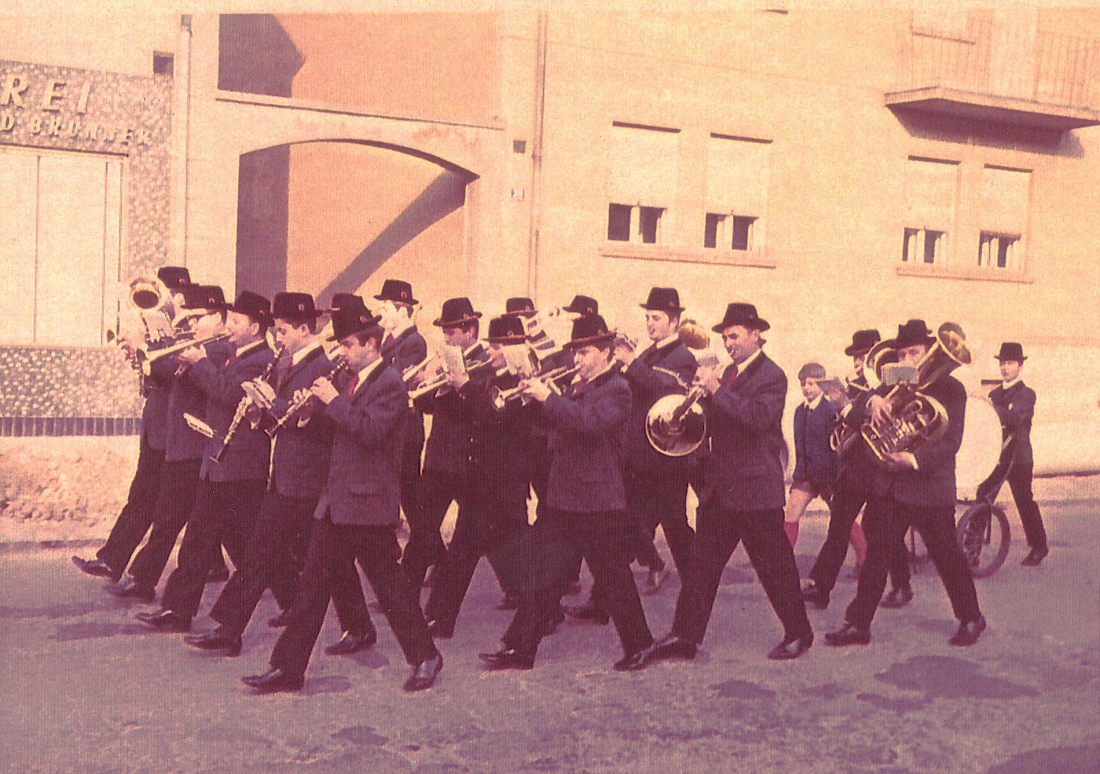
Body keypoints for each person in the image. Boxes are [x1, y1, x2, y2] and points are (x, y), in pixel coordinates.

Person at [242, 301, 442, 693]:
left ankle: (426, 656)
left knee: (391, 590)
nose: (343, 353)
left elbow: (369, 433)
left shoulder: (390, 384)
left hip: (368, 504)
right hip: (338, 502)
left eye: (350, 345)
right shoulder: (351, 379)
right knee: (313, 587)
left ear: (372, 344)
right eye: (343, 346)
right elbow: (332, 431)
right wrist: (304, 413)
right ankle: (288, 668)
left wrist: (331, 401)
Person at [185, 292, 370, 655]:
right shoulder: (289, 360)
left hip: (307, 478)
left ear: (304, 329)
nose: (277, 337)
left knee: (316, 560)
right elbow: (284, 419)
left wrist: (275, 403)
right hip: (285, 476)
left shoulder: (322, 365)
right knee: (263, 554)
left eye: (283, 331)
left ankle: (357, 627)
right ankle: (229, 629)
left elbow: (322, 423)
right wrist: (259, 414)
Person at [480, 314, 655, 672]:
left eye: (584, 352)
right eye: (575, 352)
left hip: (598, 501)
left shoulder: (617, 389)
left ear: (605, 352)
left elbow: (588, 424)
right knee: (546, 575)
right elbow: (557, 423)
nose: (576, 359)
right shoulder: (580, 386)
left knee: (614, 578)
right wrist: (532, 400)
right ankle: (520, 649)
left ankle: (640, 644)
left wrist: (550, 398)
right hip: (567, 498)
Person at [651, 303, 813, 662]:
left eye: (735, 336)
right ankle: (684, 637)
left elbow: (757, 419)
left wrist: (716, 391)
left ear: (756, 335)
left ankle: (800, 633)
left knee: (776, 568)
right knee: (700, 567)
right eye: (725, 338)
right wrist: (697, 402)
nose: (729, 343)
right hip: (721, 489)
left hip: (756, 492)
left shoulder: (772, 375)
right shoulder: (727, 374)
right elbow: (715, 419)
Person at [826, 319, 986, 648]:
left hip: (929, 487)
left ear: (929, 351)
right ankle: (858, 625)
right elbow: (856, 414)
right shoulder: (892, 381)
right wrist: (872, 403)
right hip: (891, 487)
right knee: (876, 557)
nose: (908, 358)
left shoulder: (951, 389)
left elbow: (949, 442)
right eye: (902, 353)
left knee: (947, 556)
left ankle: (971, 617)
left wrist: (912, 460)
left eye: (914, 352)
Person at [137, 291, 275, 631]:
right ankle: (177, 610)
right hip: (218, 460)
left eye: (238, 322)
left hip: (242, 464)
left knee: (255, 548)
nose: (230, 327)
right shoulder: (236, 353)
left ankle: (291, 600)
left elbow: (227, 394)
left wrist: (200, 363)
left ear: (255, 327)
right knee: (199, 538)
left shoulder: (260, 359)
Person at [72, 266, 194, 582]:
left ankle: (132, 568)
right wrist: (140, 355)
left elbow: (173, 373)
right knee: (144, 496)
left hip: (174, 429)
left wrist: (146, 350)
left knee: (169, 507)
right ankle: (113, 559)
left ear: (177, 296)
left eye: (163, 295)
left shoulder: (188, 329)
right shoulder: (165, 327)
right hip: (157, 422)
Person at [110, 286, 232, 602]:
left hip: (196, 448)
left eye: (198, 318)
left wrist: (144, 347)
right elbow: (162, 373)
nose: (191, 324)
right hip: (182, 446)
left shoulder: (217, 349)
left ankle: (145, 581)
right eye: (188, 318)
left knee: (171, 520)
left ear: (218, 318)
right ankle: (144, 579)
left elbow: (168, 369)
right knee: (183, 520)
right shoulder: (196, 346)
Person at [423, 315, 531, 638]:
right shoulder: (489, 373)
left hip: (507, 481)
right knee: (464, 549)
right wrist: (449, 386)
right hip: (483, 478)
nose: (493, 353)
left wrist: (465, 387)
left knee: (514, 552)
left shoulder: (521, 379)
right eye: (494, 346)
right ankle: (440, 617)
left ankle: (544, 610)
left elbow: (494, 415)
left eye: (499, 347)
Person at [803, 329, 909, 610]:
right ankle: (821, 587)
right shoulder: (854, 386)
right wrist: (842, 408)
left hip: (880, 468)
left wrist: (852, 408)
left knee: (883, 532)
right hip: (853, 468)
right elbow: (847, 420)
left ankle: (902, 585)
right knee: (838, 528)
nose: (858, 363)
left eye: (863, 357)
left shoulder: (893, 382)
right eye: (856, 358)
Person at [403, 297, 489, 589]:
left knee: (480, 537)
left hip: (468, 460)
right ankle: (405, 594)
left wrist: (460, 384)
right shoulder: (448, 360)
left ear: (469, 329)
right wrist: (427, 384)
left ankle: (522, 592)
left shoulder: (485, 362)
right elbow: (428, 406)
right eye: (445, 331)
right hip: (440, 458)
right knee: (422, 530)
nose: (447, 337)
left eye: (452, 331)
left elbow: (482, 410)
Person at [978, 342, 1048, 566]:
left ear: (1020, 366)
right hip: (997, 456)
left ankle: (1039, 546)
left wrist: (990, 408)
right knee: (983, 496)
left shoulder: (1027, 394)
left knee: (1024, 501)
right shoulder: (994, 393)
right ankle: (971, 549)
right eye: (1002, 363)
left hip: (1018, 457)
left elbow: (1016, 419)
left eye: (1010, 363)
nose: (1005, 368)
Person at [375, 280, 428, 532]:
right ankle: (430, 547)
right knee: (405, 493)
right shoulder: (389, 340)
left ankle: (429, 545)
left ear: (402, 311)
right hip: (396, 428)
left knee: (410, 494)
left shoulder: (414, 341)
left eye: (386, 308)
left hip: (407, 429)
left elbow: (397, 379)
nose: (381, 313)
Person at [782, 363, 838, 550]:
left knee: (842, 518)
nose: (807, 388)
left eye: (812, 384)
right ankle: (783, 563)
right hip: (805, 475)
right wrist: (799, 474)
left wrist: (835, 476)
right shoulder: (799, 411)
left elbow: (837, 445)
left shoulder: (831, 410)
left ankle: (863, 561)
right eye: (803, 384)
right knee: (790, 515)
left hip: (828, 476)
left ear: (822, 385)